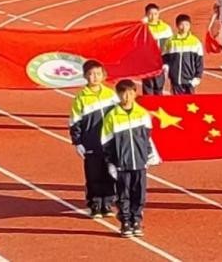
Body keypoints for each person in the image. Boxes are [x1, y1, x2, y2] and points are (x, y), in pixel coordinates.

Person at [101, 79, 161, 238]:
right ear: (118, 95)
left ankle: (136, 220)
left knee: (139, 193)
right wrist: (111, 163)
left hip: (139, 162)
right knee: (123, 194)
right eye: (123, 93)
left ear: (135, 93)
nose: (127, 96)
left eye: (130, 92)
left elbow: (146, 137)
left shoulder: (142, 113)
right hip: (122, 163)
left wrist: (149, 155)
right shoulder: (112, 116)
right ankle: (125, 221)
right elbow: (106, 142)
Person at [69, 59, 118, 218]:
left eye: (98, 73)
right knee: (93, 175)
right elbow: (75, 121)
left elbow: (120, 116)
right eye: (90, 74)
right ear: (85, 76)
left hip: (109, 142)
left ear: (103, 75)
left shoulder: (111, 95)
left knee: (109, 172)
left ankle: (108, 203)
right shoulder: (81, 98)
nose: (94, 77)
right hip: (91, 143)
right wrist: (77, 142)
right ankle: (95, 204)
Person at [161, 14, 203, 95]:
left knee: (190, 104)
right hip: (175, 80)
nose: (184, 27)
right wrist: (165, 66)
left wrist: (198, 77)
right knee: (177, 104)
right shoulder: (171, 41)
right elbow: (164, 57)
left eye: (187, 25)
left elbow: (199, 62)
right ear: (177, 25)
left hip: (190, 81)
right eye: (181, 24)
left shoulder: (195, 42)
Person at [141, 3, 173, 95]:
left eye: (155, 14)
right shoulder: (143, 28)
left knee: (159, 86)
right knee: (148, 87)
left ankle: (158, 107)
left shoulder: (166, 28)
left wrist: (167, 63)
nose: (153, 16)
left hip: (160, 62)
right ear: (146, 15)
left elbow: (169, 47)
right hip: (147, 63)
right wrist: (141, 24)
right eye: (150, 14)